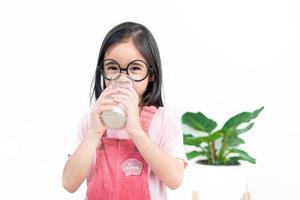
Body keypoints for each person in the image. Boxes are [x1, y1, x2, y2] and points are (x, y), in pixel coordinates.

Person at [62, 21, 187, 200]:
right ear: (102, 71)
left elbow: (175, 179)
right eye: (112, 68)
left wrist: (136, 131)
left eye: (135, 68)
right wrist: (94, 133)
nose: (122, 77)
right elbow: (69, 183)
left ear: (152, 74)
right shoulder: (91, 122)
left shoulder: (164, 120)